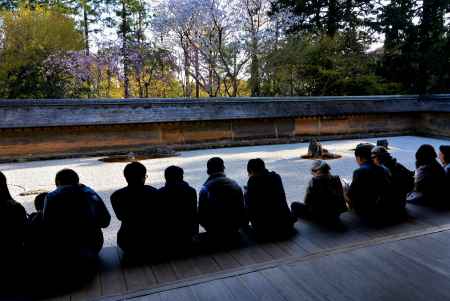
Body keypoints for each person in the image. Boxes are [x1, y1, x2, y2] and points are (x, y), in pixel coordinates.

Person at [43, 169, 111, 259]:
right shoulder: (90, 193)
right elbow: (105, 221)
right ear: (77, 180)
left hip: (64, 249)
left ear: (58, 182)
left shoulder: (51, 198)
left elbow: (47, 226)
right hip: (93, 246)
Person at [111, 162, 161, 257]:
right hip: (154, 241)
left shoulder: (116, 196)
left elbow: (120, 217)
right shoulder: (154, 193)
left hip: (128, 243)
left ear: (125, 177)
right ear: (143, 177)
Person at [244, 159, 295, 239]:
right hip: (286, 226)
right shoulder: (276, 177)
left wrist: (246, 193)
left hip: (265, 231)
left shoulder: (253, 181)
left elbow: (251, 207)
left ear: (251, 171)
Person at [198, 157, 247, 242]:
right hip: (234, 226)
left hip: (214, 229)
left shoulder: (205, 188)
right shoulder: (234, 184)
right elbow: (242, 207)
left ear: (208, 171)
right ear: (223, 168)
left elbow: (202, 212)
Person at [346, 143, 393, 222]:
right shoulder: (384, 168)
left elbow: (352, 195)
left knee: (344, 187)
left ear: (359, 158)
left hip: (368, 211)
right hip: (385, 207)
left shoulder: (359, 171)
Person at [291, 160, 347, 225]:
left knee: (294, 205)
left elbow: (307, 202)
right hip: (336, 214)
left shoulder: (314, 181)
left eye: (313, 172)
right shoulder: (336, 178)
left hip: (319, 216)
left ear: (317, 171)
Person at [158, 166, 198, 247]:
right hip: (188, 234)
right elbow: (194, 214)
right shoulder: (191, 191)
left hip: (167, 236)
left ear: (166, 178)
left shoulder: (160, 193)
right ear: (182, 177)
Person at [371, 146, 414, 217]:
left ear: (379, 157)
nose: (373, 160)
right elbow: (410, 177)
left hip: (388, 207)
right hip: (401, 203)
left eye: (373, 157)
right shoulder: (397, 165)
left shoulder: (382, 170)